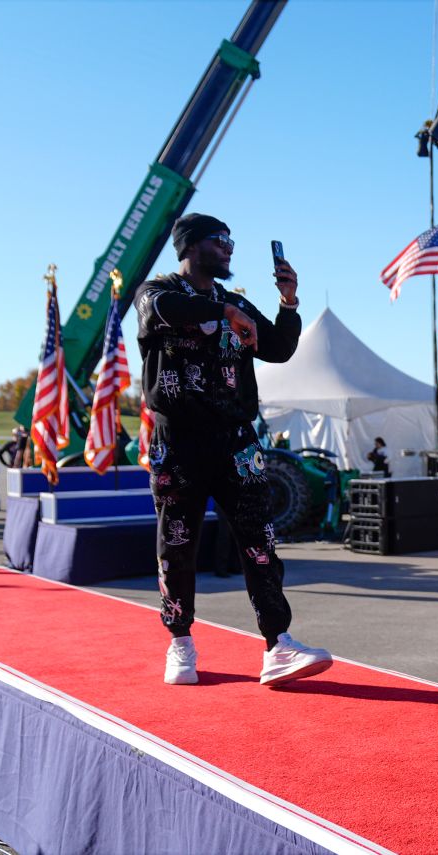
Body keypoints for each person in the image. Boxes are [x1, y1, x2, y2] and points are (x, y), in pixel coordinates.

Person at [135, 212, 332, 688]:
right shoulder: (157, 292)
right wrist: (224, 314)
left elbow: (280, 347)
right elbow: (163, 312)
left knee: (259, 541)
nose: (228, 248)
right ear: (191, 246)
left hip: (237, 441)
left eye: (231, 241)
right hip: (178, 441)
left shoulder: (235, 300)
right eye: (219, 241)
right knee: (177, 544)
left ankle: (278, 644)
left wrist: (288, 302)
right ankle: (180, 642)